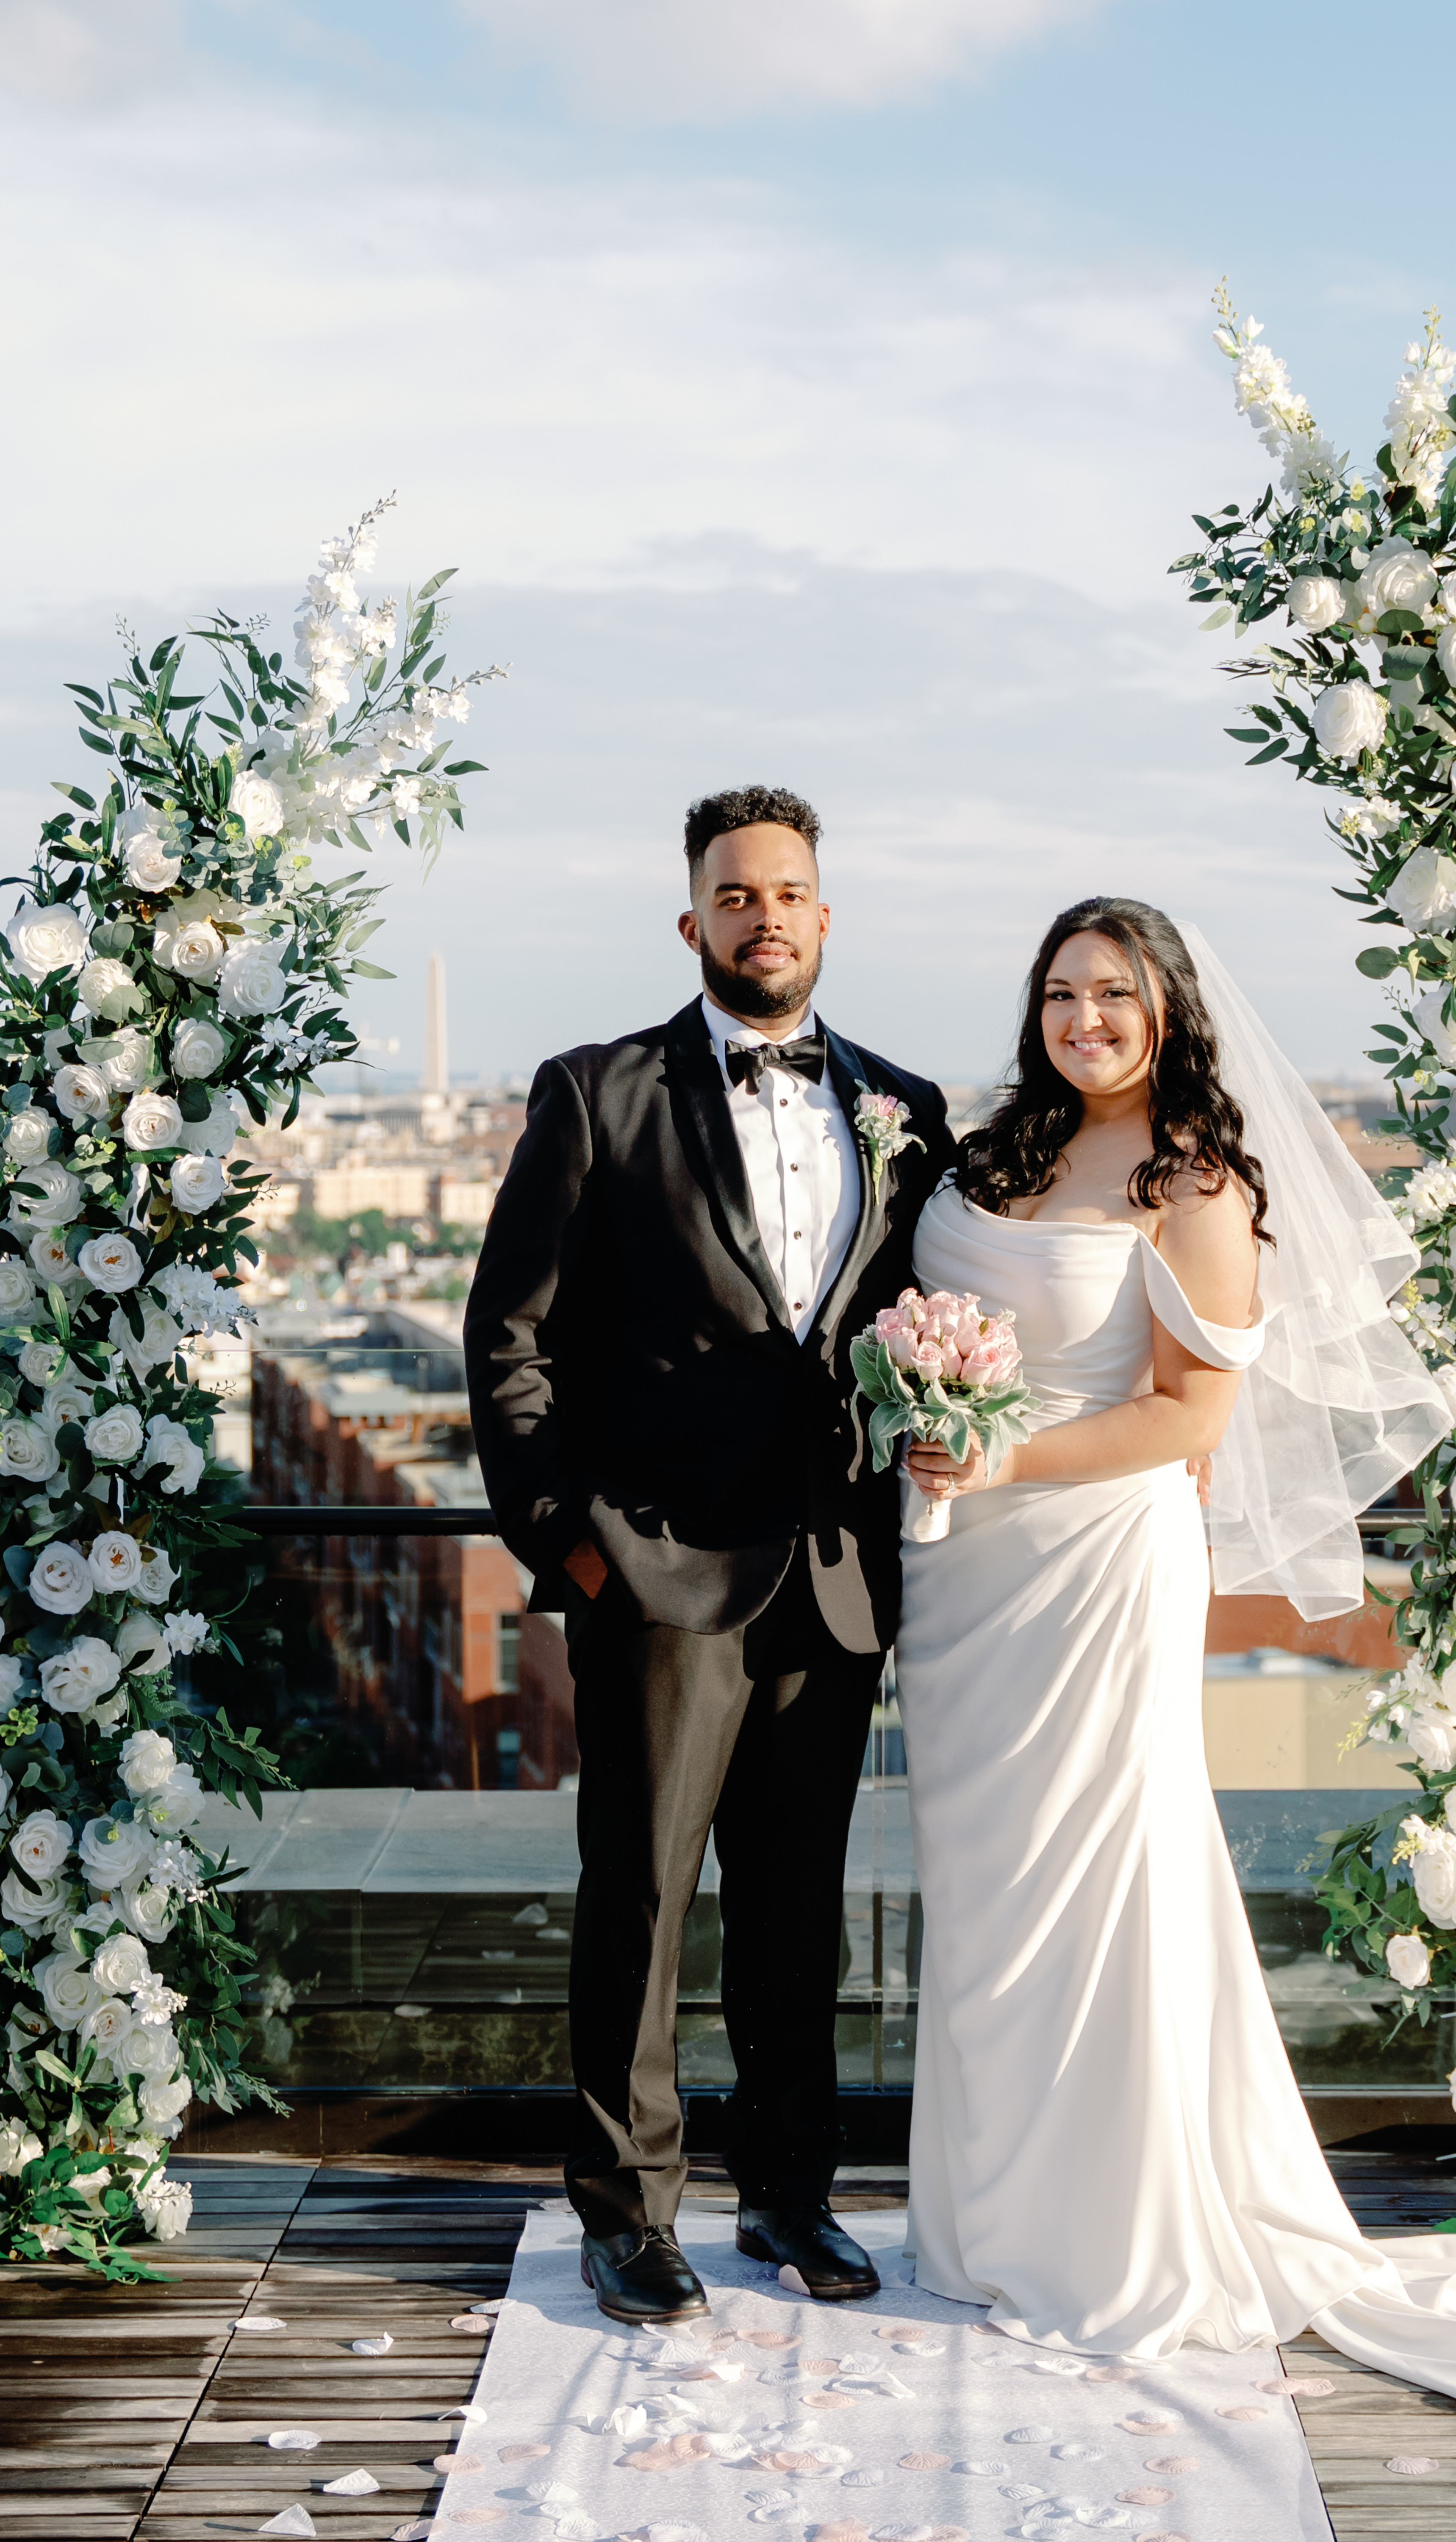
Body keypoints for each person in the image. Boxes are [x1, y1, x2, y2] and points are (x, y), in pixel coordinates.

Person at [894, 895, 1456, 2414]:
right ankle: (988, 2219)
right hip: (964, 1583)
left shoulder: (1193, 1179)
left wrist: (1001, 1463)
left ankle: (1108, 2236)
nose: (1084, 1022)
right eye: (1062, 994)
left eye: (1115, 996)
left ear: (1169, 1008)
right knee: (989, 1890)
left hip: (1090, 1563)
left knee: (1102, 1871)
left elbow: (1192, 1416)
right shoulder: (999, 1147)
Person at [465, 785, 954, 2326]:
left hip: (831, 1570)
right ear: (694, 922)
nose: (765, 916)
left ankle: (791, 2197)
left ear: (827, 913)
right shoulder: (597, 1092)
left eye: (789, 892)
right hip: (656, 1572)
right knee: (645, 1902)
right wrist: (568, 1544)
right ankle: (627, 2211)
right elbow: (510, 1336)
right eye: (734, 895)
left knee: (799, 1905)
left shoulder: (910, 1111)